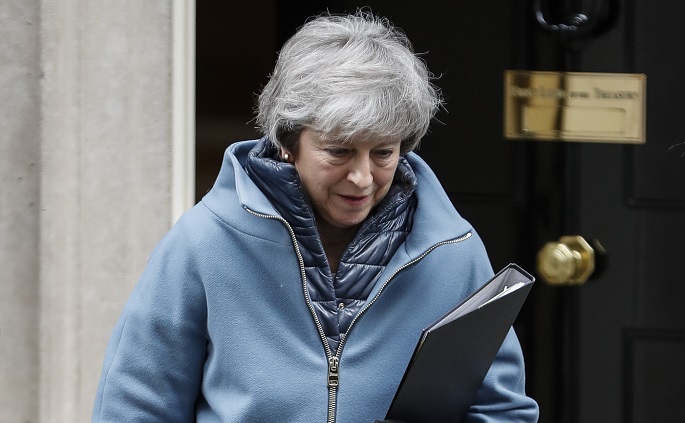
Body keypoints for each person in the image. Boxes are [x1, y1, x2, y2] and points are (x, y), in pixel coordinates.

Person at [92, 11, 539, 423]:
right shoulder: (204, 243)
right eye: (339, 151)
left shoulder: (453, 252)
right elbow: (134, 407)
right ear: (288, 141)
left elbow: (501, 410)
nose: (362, 177)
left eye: (383, 152)